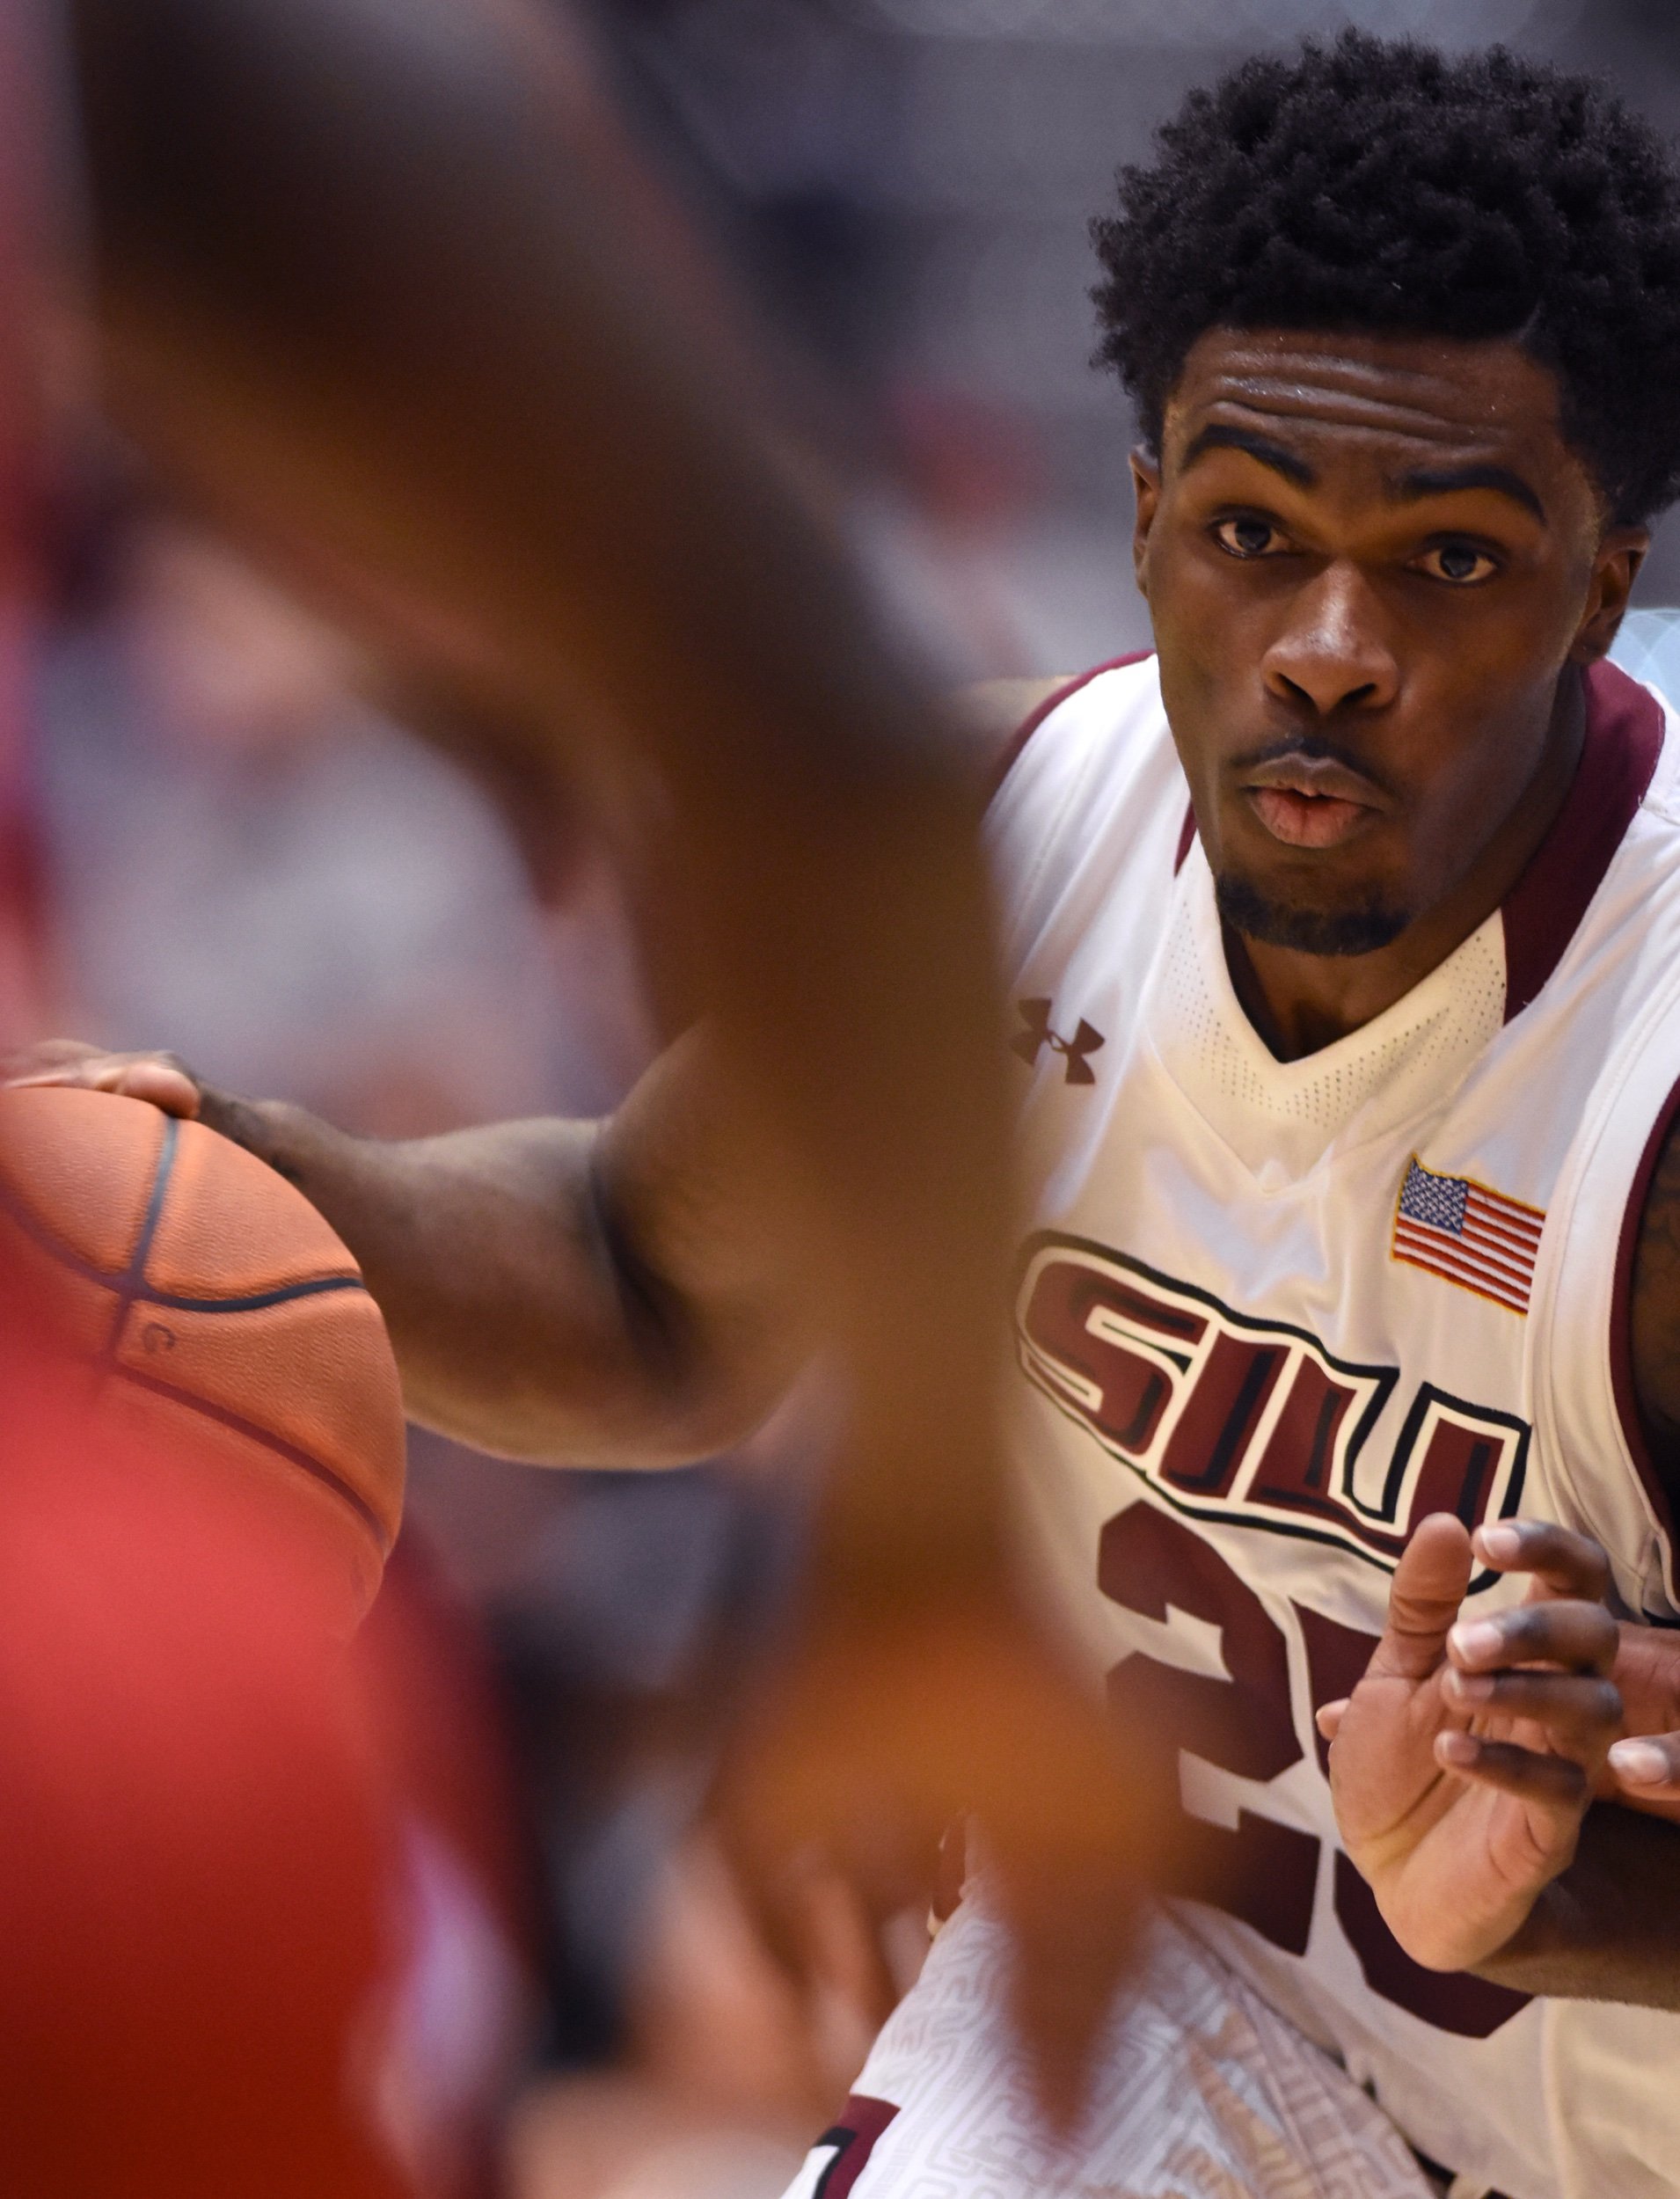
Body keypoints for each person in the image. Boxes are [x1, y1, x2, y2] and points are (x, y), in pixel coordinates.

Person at [23, 25, 1680, 2196]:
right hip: (1201, 2012)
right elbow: (646, 1281)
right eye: (1253, 528)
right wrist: (253, 1182)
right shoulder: (1028, 838)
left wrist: (1542, 1901)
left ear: (1599, 578)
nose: (1329, 643)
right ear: (1144, 516)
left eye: (1449, 559)